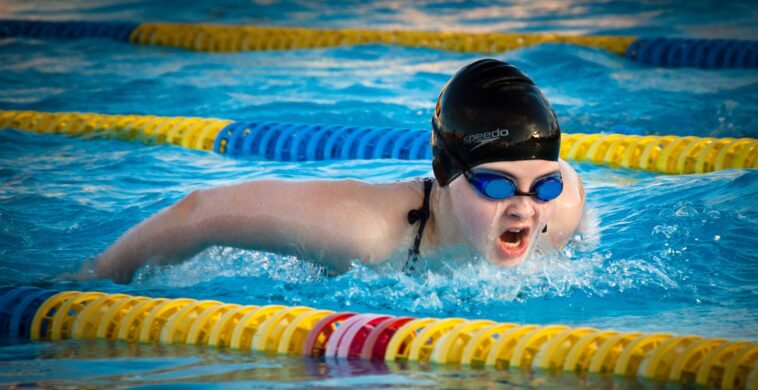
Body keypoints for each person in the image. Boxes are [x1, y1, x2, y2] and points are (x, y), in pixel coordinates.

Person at [89, 59, 585, 284]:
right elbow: (202, 211)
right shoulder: (367, 234)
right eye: (497, 184)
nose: (525, 206)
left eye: (544, 183)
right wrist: (96, 280)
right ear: (446, 172)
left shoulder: (559, 211)